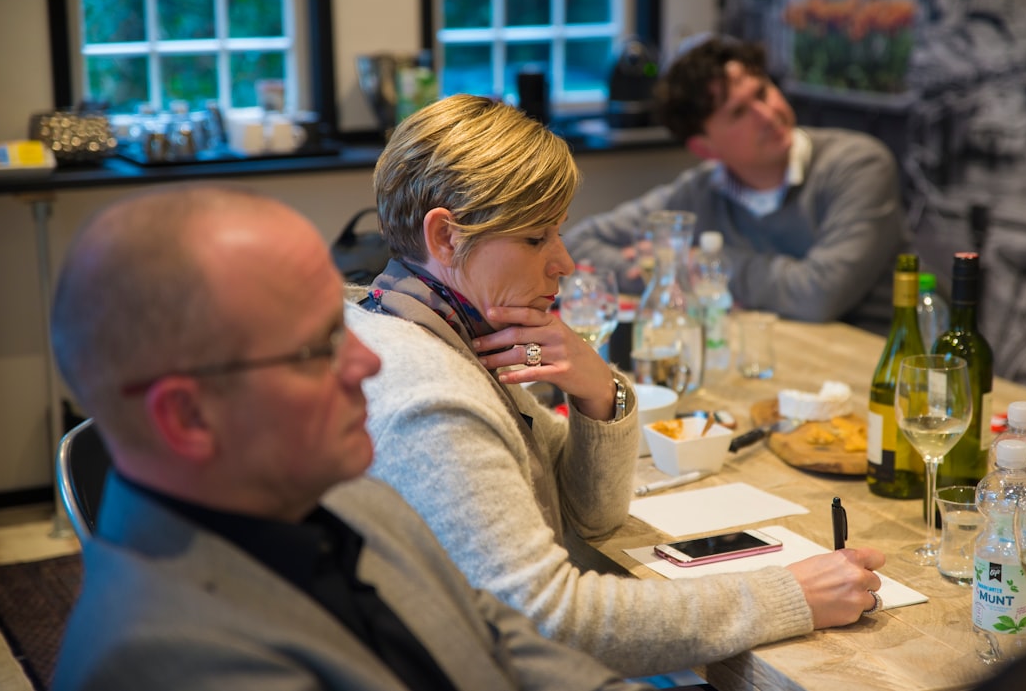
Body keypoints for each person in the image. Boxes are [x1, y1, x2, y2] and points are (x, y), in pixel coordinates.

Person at [338, 93, 887, 678]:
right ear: (445, 237)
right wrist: (789, 596)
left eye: (559, 233)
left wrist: (600, 390)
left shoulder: (417, 323)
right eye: (535, 238)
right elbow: (552, 621)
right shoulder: (434, 396)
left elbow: (590, 516)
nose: (565, 262)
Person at [49, 183, 651, 691]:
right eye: (320, 346)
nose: (366, 362)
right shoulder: (172, 658)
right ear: (188, 419)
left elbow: (501, 639)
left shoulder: (352, 501)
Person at [564, 37, 907, 334]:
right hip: (776, 355)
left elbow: (818, 296)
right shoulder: (698, 193)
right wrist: (669, 273)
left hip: (885, 368)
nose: (768, 114)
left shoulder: (858, 165)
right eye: (740, 112)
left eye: (763, 92)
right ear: (704, 147)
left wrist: (704, 264)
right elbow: (579, 244)